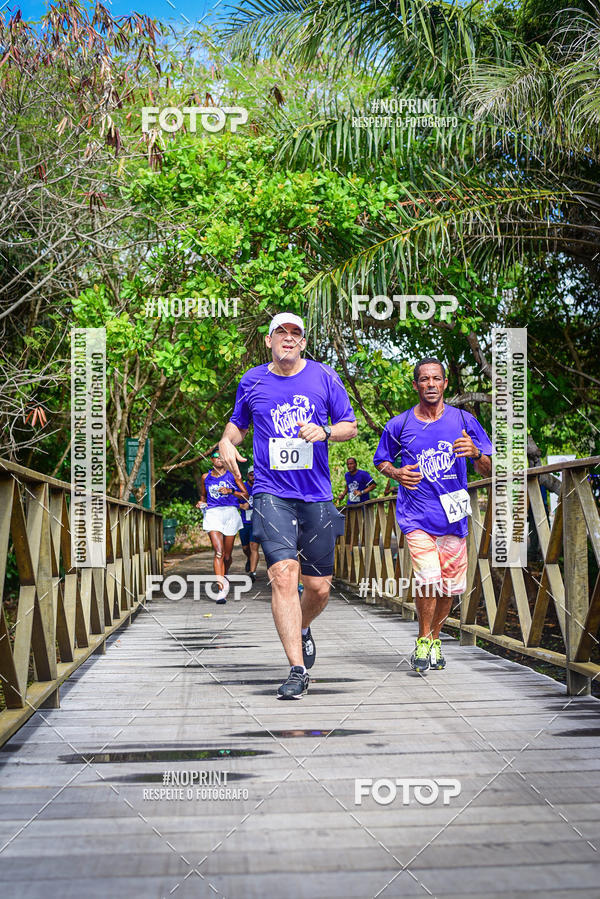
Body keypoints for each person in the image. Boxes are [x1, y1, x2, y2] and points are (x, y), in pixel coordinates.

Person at [218, 311, 357, 698]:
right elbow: (237, 427)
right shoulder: (253, 380)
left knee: (319, 587)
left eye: (296, 333)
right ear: (269, 340)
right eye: (282, 332)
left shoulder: (324, 377)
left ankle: (302, 626)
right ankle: (297, 669)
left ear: (304, 342)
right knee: (283, 574)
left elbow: (350, 426)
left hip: (315, 495)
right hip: (270, 492)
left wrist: (325, 431)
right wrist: (226, 442)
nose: (289, 339)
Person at [373, 358, 493, 673]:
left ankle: (436, 639)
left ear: (444, 384)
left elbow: (491, 468)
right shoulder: (399, 425)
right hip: (416, 516)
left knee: (450, 586)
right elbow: (381, 461)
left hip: (453, 516)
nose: (430, 384)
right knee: (429, 577)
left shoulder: (464, 420)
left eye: (436, 378)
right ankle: (423, 640)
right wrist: (397, 473)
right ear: (415, 385)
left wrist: (477, 453)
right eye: (424, 379)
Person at [196, 451, 248, 603]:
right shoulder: (206, 477)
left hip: (230, 513)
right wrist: (201, 503)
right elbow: (203, 495)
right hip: (213, 513)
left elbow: (246, 495)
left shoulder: (233, 475)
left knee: (226, 555)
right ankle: (221, 589)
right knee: (218, 552)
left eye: (221, 457)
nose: (219, 459)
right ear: (211, 459)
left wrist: (231, 491)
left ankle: (224, 572)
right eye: (216, 457)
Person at [238, 467, 260, 580]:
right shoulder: (242, 487)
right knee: (245, 547)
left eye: (255, 474)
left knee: (253, 546)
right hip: (244, 521)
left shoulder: (261, 486)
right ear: (247, 475)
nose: (253, 477)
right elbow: (232, 501)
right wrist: (241, 506)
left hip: (257, 521)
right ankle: (249, 558)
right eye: (251, 474)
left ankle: (252, 573)